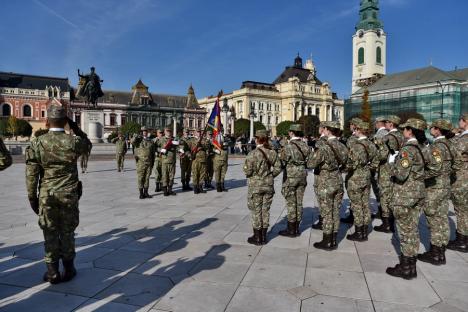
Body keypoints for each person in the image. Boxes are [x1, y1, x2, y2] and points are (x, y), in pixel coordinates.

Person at [25, 105, 90, 284]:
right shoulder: (74, 142)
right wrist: (75, 128)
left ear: (47, 122)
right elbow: (88, 144)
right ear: (65, 121)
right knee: (68, 231)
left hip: (47, 195)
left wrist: (32, 197)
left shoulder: (37, 143)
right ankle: (69, 269)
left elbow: (32, 174)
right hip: (69, 194)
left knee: (50, 231)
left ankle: (52, 271)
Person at [386, 118, 428, 279]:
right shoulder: (424, 148)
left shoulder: (408, 150)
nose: (402, 132)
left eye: (404, 129)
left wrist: (391, 165)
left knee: (405, 231)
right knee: (413, 230)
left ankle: (406, 267)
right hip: (419, 192)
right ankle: (411, 267)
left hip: (405, 195)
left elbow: (401, 174)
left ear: (410, 131)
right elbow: (432, 169)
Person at [418, 119, 458, 264]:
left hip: (435, 187)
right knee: (442, 219)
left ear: (438, 130)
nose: (431, 130)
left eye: (433, 128)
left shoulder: (436, 147)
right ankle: (440, 250)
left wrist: (421, 176)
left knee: (434, 220)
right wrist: (446, 174)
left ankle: (435, 253)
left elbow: (435, 168)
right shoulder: (451, 145)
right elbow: (457, 164)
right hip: (446, 185)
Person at [308, 121, 348, 250]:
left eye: (324, 128)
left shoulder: (324, 147)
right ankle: (334, 239)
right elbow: (348, 163)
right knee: (335, 211)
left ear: (327, 130)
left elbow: (311, 163)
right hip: (338, 180)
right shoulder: (343, 146)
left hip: (325, 181)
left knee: (326, 212)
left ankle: (327, 240)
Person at [243, 130, 282, 245]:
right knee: (265, 210)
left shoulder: (252, 154)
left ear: (257, 139)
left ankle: (257, 236)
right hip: (268, 185)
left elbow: (247, 171)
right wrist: (270, 175)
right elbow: (278, 167)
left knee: (256, 211)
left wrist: (254, 175)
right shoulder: (272, 152)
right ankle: (264, 236)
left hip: (256, 185)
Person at [345, 119, 378, 242]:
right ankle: (364, 230)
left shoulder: (357, 146)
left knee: (357, 205)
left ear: (358, 130)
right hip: (366, 176)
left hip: (356, 177)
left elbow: (350, 164)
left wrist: (345, 167)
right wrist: (368, 168)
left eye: (356, 129)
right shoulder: (371, 144)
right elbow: (376, 161)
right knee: (365, 203)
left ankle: (359, 232)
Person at [278, 124, 311, 237]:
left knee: (291, 202)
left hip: (291, 176)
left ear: (291, 133)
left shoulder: (288, 147)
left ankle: (291, 229)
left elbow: (282, 161)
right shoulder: (305, 146)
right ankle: (296, 226)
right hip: (302, 174)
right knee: (299, 201)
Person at [374, 115, 405, 233]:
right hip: (397, 168)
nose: (385, 124)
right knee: (393, 194)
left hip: (386, 169)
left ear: (391, 124)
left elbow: (382, 154)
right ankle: (392, 221)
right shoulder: (401, 136)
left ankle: (387, 223)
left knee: (385, 195)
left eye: (387, 122)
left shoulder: (388, 137)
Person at [447, 113, 468, 252]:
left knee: (461, 210)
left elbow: (455, 154)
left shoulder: (464, 139)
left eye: (460, 120)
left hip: (461, 177)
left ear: (465, 121)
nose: (458, 122)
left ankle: (462, 240)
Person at [311, 122, 329, 230]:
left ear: (323, 129)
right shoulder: (333, 140)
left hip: (320, 172)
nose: (318, 129)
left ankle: (323, 220)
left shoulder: (321, 141)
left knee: (321, 198)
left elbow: (316, 159)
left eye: (319, 128)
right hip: (331, 175)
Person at [371, 117, 389, 217]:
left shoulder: (379, 134)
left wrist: (373, 163)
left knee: (378, 189)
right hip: (387, 166)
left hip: (379, 166)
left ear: (378, 123)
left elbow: (378, 151)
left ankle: (382, 211)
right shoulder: (388, 133)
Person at [131, 126, 154, 199]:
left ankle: (146, 192)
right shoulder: (138, 140)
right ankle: (141, 193)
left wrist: (152, 163)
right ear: (141, 132)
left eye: (146, 131)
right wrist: (135, 136)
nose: (145, 132)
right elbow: (132, 142)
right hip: (141, 162)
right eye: (143, 131)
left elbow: (152, 153)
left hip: (149, 162)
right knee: (141, 178)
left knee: (147, 178)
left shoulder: (151, 141)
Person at [156, 127, 179, 196]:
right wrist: (160, 150)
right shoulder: (161, 139)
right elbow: (156, 147)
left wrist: (179, 148)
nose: (169, 132)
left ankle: (170, 190)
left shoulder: (174, 139)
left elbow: (178, 147)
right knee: (165, 176)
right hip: (165, 161)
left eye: (170, 131)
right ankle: (165, 190)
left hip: (172, 161)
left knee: (171, 176)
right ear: (165, 132)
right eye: (167, 131)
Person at [191, 130, 209, 194]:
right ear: (195, 133)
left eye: (200, 132)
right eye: (198, 132)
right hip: (195, 160)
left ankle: (200, 187)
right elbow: (187, 149)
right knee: (195, 174)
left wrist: (201, 144)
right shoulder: (192, 140)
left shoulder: (204, 140)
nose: (199, 133)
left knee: (202, 174)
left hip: (203, 160)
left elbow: (207, 147)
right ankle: (195, 188)